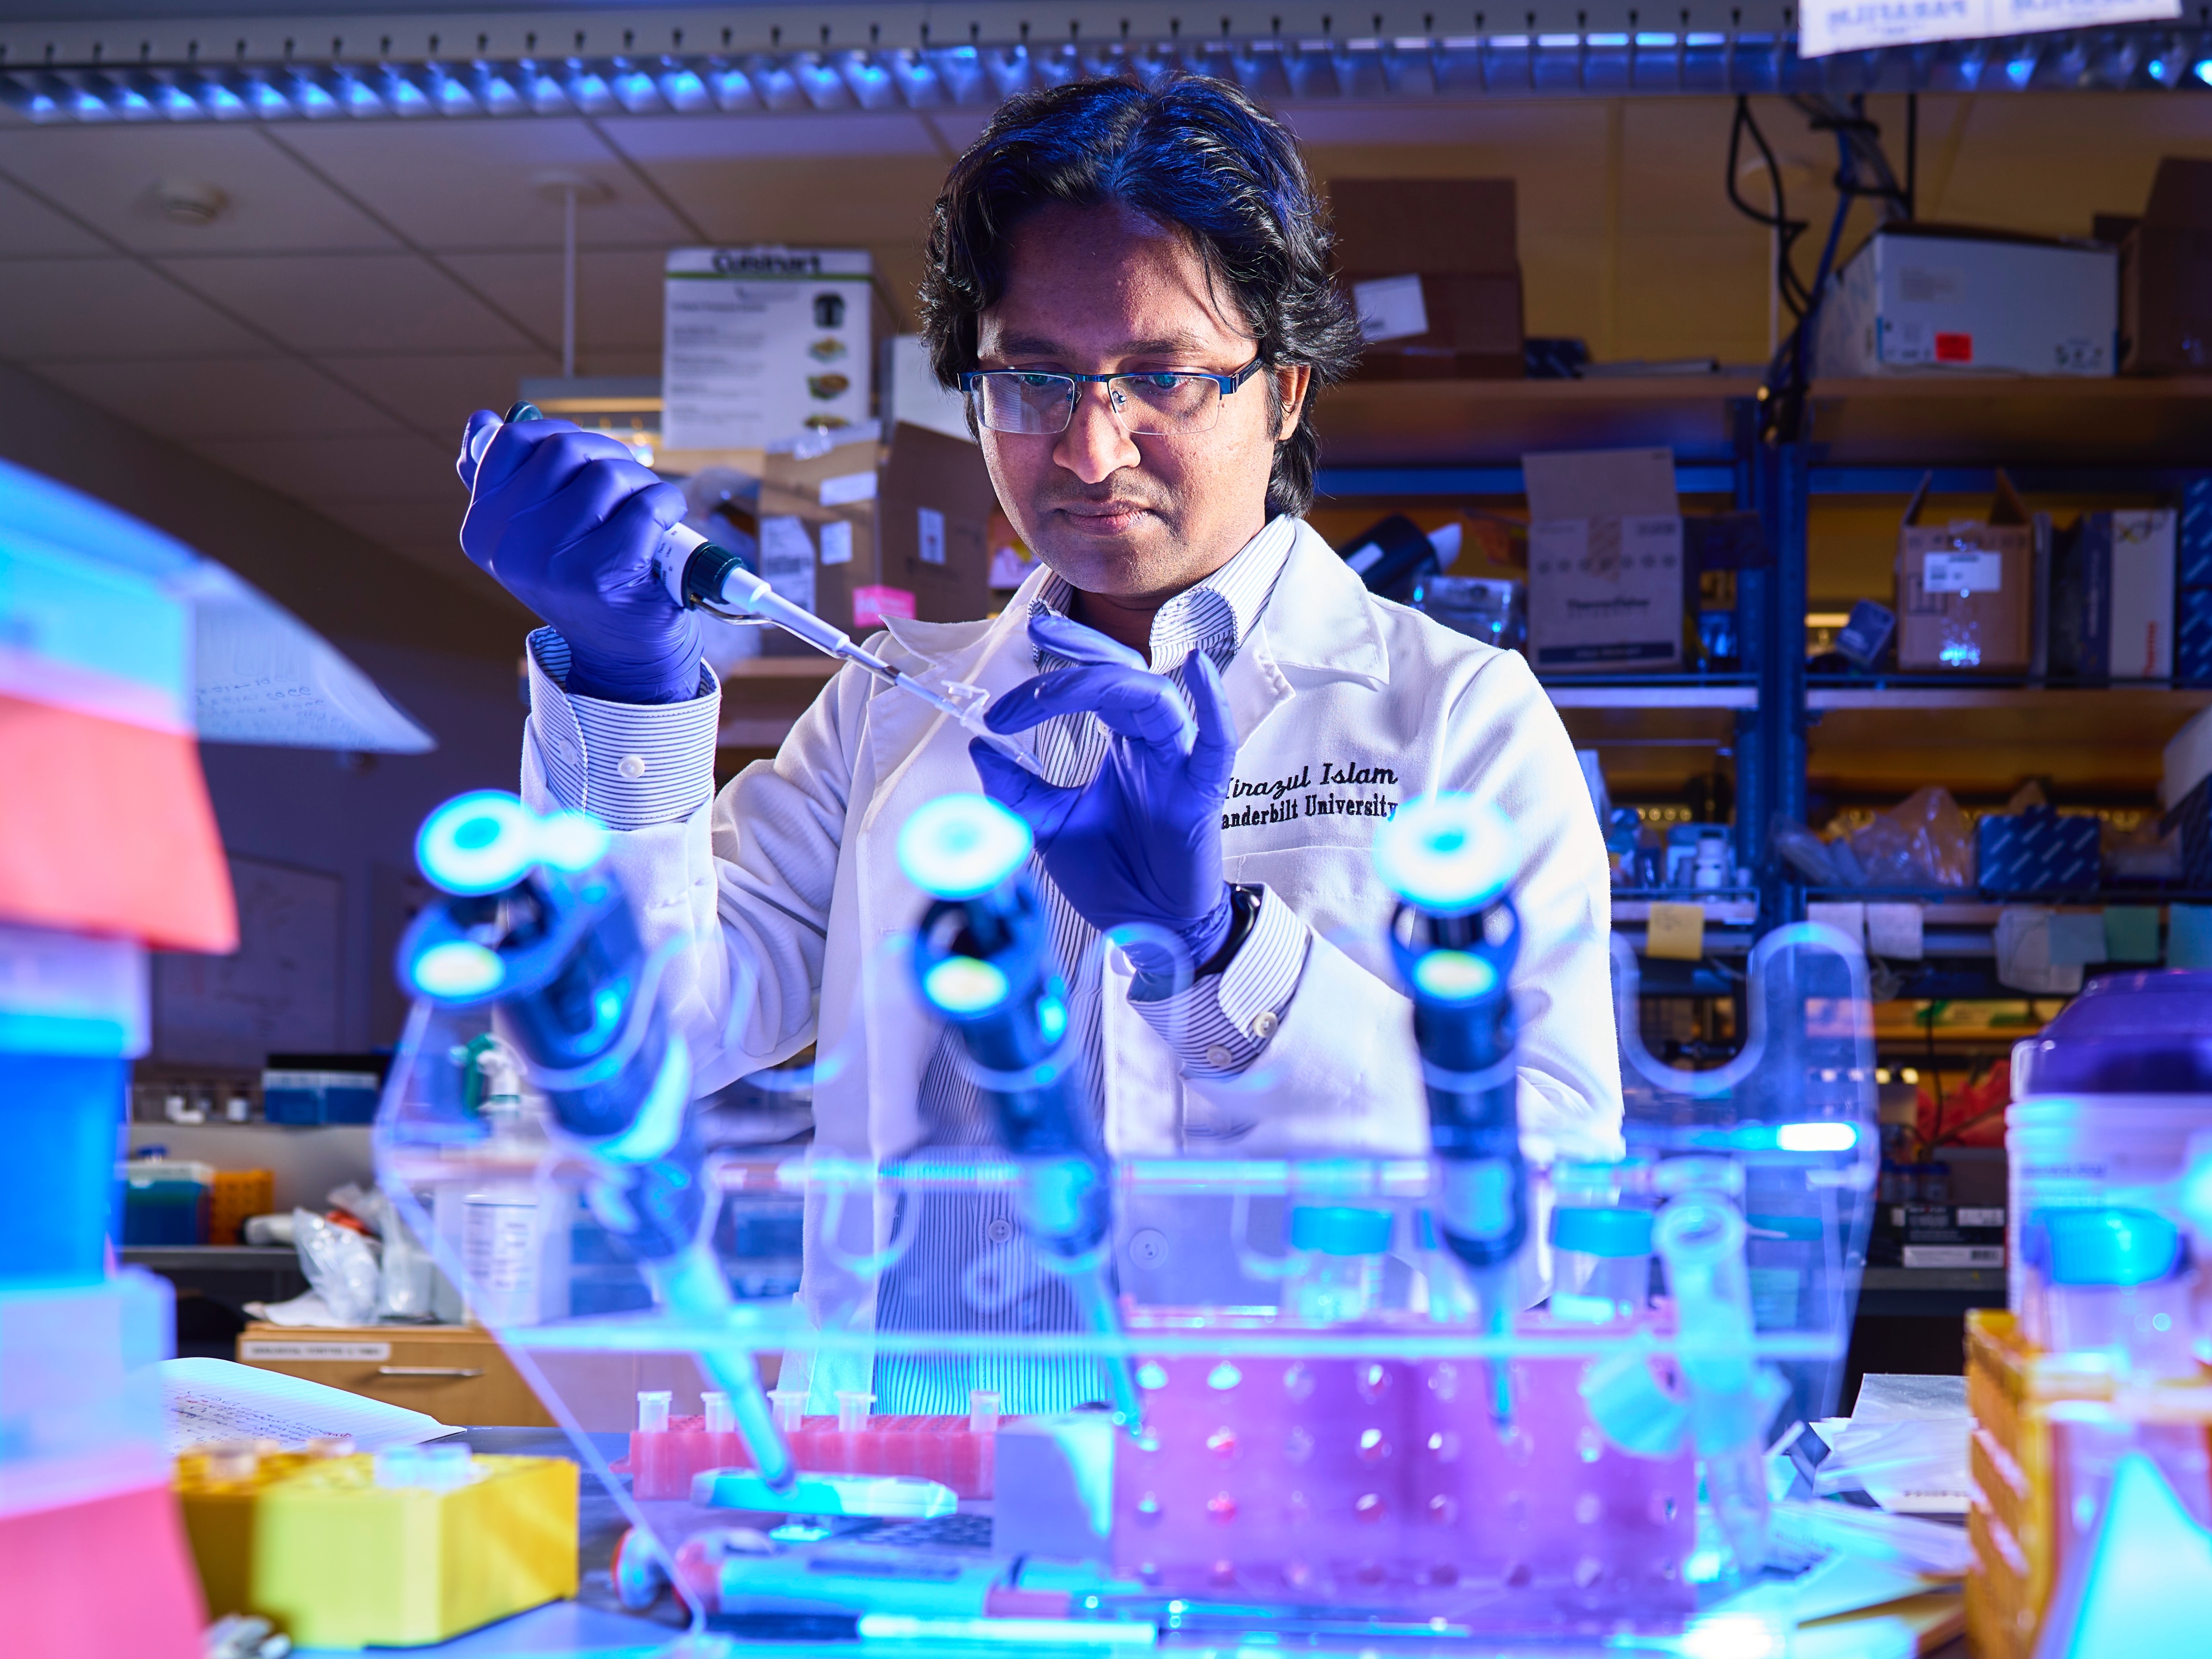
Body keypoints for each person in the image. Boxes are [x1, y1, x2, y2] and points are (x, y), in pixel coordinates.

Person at [452, 73, 1621, 1411]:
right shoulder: (886, 708)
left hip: (1289, 1492)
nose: (1090, 446)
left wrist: (1220, 956)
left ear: (1285, 391)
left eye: (1163, 375)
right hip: (918, 1505)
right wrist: (626, 686)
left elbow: (1553, 1212)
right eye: (1035, 380)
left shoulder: (1455, 713)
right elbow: (628, 1047)